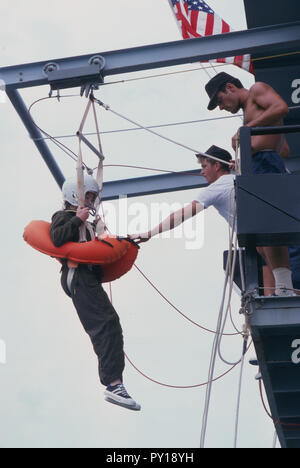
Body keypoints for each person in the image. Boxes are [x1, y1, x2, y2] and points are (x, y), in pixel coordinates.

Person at [50, 175, 141, 411]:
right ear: (74, 196)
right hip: (77, 276)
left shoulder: (87, 225)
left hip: (87, 278)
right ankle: (113, 384)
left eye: (92, 197)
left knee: (111, 323)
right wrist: (77, 220)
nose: (90, 201)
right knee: (105, 324)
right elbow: (57, 238)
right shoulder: (65, 217)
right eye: (87, 196)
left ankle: (115, 382)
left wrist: (104, 235)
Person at [204, 72, 298, 296]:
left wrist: (246, 132)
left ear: (230, 87)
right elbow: (284, 149)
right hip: (262, 162)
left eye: (220, 100)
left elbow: (281, 107)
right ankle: (283, 284)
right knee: (265, 233)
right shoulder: (250, 110)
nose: (221, 107)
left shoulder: (257, 89)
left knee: (269, 227)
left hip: (265, 163)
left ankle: (284, 286)